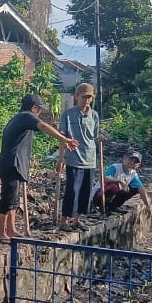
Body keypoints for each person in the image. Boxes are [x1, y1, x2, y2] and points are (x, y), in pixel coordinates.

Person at [0, 94, 78, 243]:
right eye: (39, 110)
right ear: (34, 108)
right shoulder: (26, 116)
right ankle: (1, 232)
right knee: (7, 199)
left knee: (14, 199)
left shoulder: (18, 118)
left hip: (14, 164)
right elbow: (43, 125)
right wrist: (63, 139)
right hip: (11, 164)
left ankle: (11, 229)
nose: (39, 114)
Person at [58, 82, 100, 229]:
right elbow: (62, 137)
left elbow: (94, 136)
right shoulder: (68, 115)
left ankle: (77, 219)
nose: (87, 100)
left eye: (90, 97)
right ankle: (64, 221)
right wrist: (61, 157)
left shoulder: (94, 115)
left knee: (85, 191)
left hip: (90, 158)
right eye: (84, 97)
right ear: (76, 96)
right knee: (72, 190)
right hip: (73, 158)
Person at [94, 151, 152, 215]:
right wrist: (119, 181)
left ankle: (113, 207)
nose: (132, 162)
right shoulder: (115, 167)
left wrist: (147, 205)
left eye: (135, 162)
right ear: (124, 158)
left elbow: (141, 189)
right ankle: (100, 207)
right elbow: (102, 179)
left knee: (134, 189)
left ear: (138, 165)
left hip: (112, 196)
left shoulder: (133, 174)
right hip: (99, 195)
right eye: (130, 159)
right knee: (114, 187)